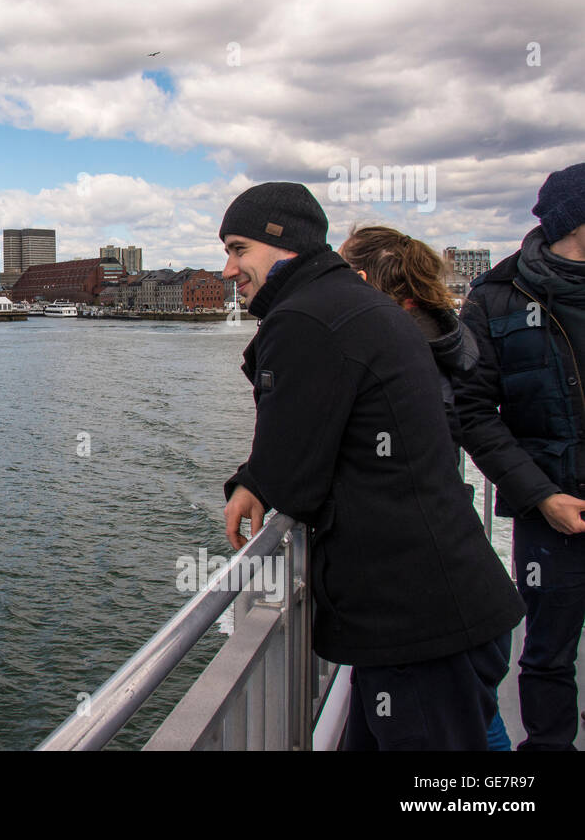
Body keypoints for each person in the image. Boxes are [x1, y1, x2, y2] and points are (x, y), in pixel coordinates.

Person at [219, 181, 524, 750]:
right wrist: (257, 476)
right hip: (439, 602)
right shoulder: (354, 305)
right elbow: (324, 430)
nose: (228, 268)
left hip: (415, 623)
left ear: (282, 242)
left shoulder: (305, 318)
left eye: (238, 249)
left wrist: (256, 480)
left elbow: (295, 477)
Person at [340, 224, 511, 750]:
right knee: (475, 722)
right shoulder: (443, 345)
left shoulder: (391, 358)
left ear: (365, 282)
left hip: (418, 596)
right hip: (455, 582)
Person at [454, 163, 585, 750]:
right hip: (553, 509)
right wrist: (541, 496)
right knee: (549, 656)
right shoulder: (495, 299)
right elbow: (473, 412)